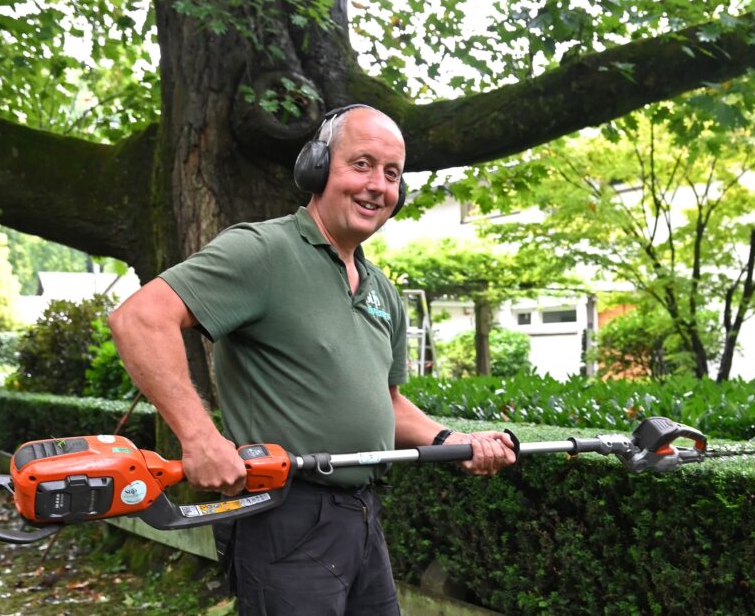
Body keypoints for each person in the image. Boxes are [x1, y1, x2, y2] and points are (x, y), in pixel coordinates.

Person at [108, 104, 516, 615]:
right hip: (283, 517)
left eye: (392, 174)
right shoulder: (264, 251)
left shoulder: (381, 290)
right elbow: (139, 319)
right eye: (362, 165)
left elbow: (386, 403)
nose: (377, 186)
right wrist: (199, 438)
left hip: (362, 516)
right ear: (317, 167)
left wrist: (452, 441)